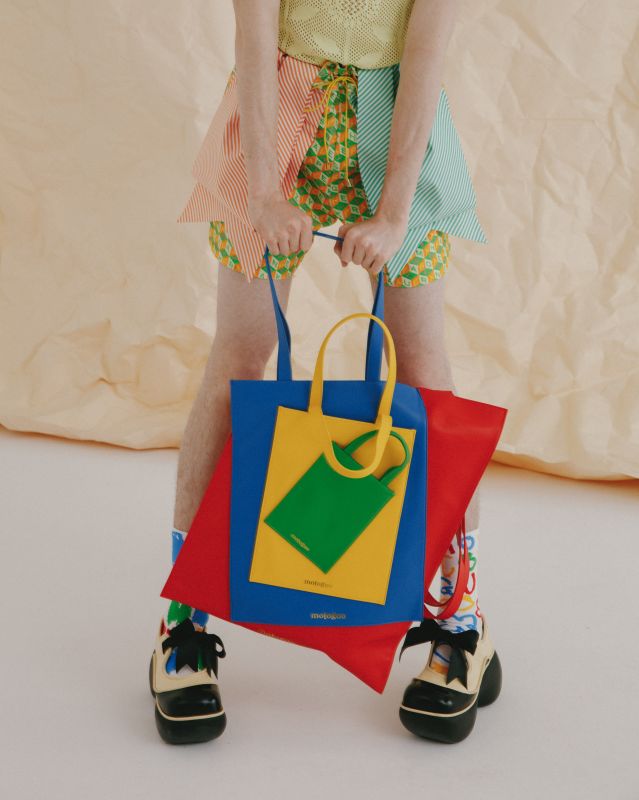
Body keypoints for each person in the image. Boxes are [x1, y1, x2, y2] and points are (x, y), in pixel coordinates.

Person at [149, 0, 502, 746]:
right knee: (238, 358)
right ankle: (184, 621)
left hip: (396, 129)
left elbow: (425, 55)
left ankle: (460, 620)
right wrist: (263, 192)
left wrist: (396, 212)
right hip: (275, 120)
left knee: (423, 375)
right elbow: (253, 39)